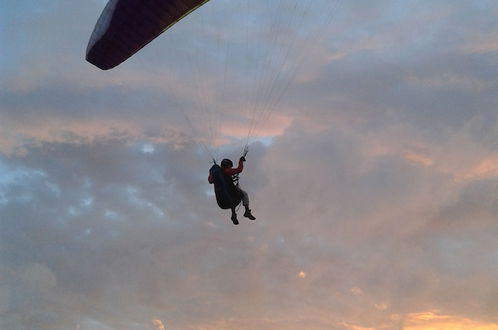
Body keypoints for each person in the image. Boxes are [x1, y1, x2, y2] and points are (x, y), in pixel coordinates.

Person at [208, 156, 256, 224]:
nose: (230, 167)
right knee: (244, 194)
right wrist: (241, 161)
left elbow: (210, 181)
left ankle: (233, 214)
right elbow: (239, 170)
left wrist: (210, 173)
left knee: (230, 196)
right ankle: (247, 211)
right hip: (231, 194)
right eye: (230, 166)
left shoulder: (217, 176)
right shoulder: (227, 171)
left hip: (222, 201)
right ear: (227, 165)